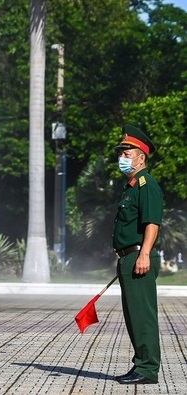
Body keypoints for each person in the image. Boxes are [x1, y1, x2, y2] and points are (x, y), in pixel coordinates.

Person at [112, 124, 163, 385]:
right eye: (121, 152)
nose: (122, 157)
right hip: (128, 257)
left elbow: (152, 223)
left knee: (142, 315)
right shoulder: (131, 187)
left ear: (141, 157)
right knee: (133, 316)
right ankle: (140, 364)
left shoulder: (146, 185)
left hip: (139, 257)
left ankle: (148, 369)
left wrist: (144, 255)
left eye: (127, 152)